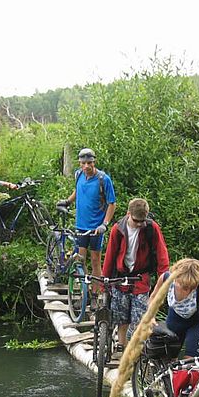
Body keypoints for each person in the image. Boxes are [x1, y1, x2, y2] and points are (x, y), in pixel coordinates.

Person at [102, 198, 169, 347]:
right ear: (128, 214)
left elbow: (161, 254)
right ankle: (122, 346)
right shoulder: (118, 229)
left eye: (142, 221)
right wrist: (104, 281)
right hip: (121, 279)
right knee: (121, 318)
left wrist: (165, 279)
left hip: (141, 279)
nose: (139, 224)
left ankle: (138, 352)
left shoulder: (151, 228)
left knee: (140, 317)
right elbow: (110, 256)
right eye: (136, 221)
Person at [57, 148, 116, 279]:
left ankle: (95, 295)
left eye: (89, 163)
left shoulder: (103, 179)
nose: (86, 166)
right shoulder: (79, 174)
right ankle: (85, 290)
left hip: (96, 228)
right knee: (80, 259)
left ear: (94, 162)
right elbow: (77, 191)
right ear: (79, 163)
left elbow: (112, 204)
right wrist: (67, 201)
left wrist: (105, 224)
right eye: (83, 163)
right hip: (80, 225)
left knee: (95, 261)